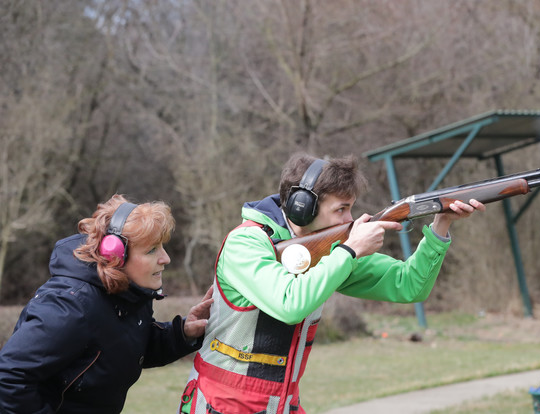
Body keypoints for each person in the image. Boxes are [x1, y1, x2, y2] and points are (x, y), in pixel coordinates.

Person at [179, 153, 485, 414]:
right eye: (341, 209)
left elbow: (409, 285)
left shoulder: (330, 252)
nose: (349, 219)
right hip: (222, 402)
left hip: (281, 402)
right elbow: (289, 305)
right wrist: (350, 251)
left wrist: (440, 225)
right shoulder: (245, 243)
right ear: (302, 206)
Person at [0, 195, 213, 414]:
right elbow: (10, 378)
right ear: (115, 255)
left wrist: (183, 333)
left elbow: (124, 346)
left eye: (162, 247)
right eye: (151, 250)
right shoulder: (69, 306)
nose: (165, 258)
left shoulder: (129, 295)